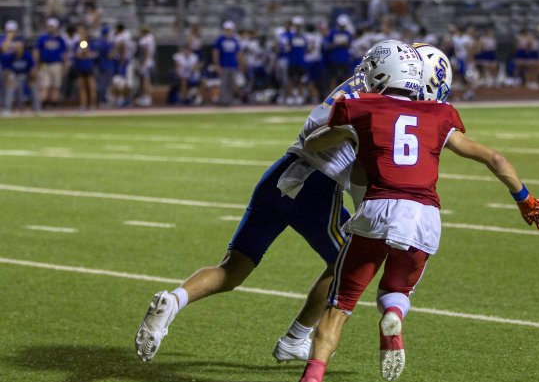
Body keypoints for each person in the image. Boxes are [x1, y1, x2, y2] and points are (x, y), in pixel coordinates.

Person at [276, 40, 539, 382]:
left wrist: (346, 130)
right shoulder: (440, 113)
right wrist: (524, 198)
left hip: (377, 209)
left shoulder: (360, 106)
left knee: (339, 305)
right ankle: (393, 315)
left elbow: (314, 142)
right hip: (425, 218)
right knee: (397, 290)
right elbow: (494, 157)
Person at [134, 69, 370, 366]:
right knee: (347, 262)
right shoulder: (377, 102)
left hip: (280, 173)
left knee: (233, 268)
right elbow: (362, 168)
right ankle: (295, 339)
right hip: (316, 186)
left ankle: (173, 300)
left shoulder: (355, 85)